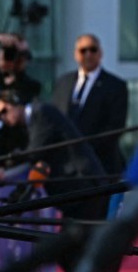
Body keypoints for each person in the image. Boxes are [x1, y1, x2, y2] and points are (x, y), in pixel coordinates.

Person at [0, 91, 110, 272]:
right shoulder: (35, 119)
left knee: (80, 253)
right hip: (78, 192)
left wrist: (5, 165)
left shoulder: (41, 113)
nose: (4, 119)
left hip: (85, 189)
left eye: (4, 111)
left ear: (15, 103)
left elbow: (35, 152)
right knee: (72, 252)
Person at [52, 34, 129, 175]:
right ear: (76, 54)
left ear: (100, 53)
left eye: (93, 50)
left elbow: (116, 126)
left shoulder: (115, 85)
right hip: (66, 167)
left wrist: (85, 149)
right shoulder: (63, 83)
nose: (88, 55)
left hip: (100, 165)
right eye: (83, 50)